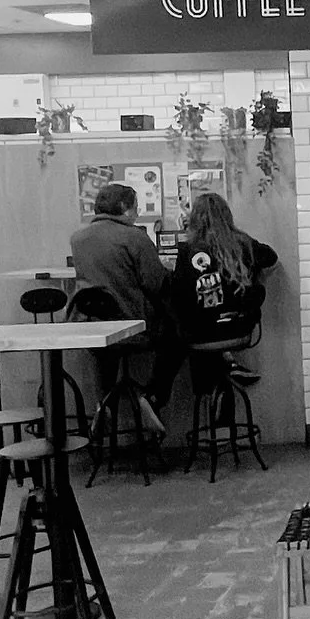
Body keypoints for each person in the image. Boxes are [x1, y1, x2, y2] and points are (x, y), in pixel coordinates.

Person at [70, 182, 176, 432]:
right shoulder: (135, 238)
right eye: (135, 208)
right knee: (176, 334)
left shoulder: (78, 239)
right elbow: (156, 284)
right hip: (134, 328)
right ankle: (152, 397)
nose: (137, 213)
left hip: (91, 329)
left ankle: (104, 402)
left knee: (106, 343)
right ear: (124, 209)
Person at [168, 193, 277, 386]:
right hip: (238, 329)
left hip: (199, 334)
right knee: (217, 329)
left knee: (197, 326)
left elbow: (179, 293)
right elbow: (270, 257)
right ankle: (228, 365)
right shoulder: (242, 243)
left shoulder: (187, 250)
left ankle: (209, 392)